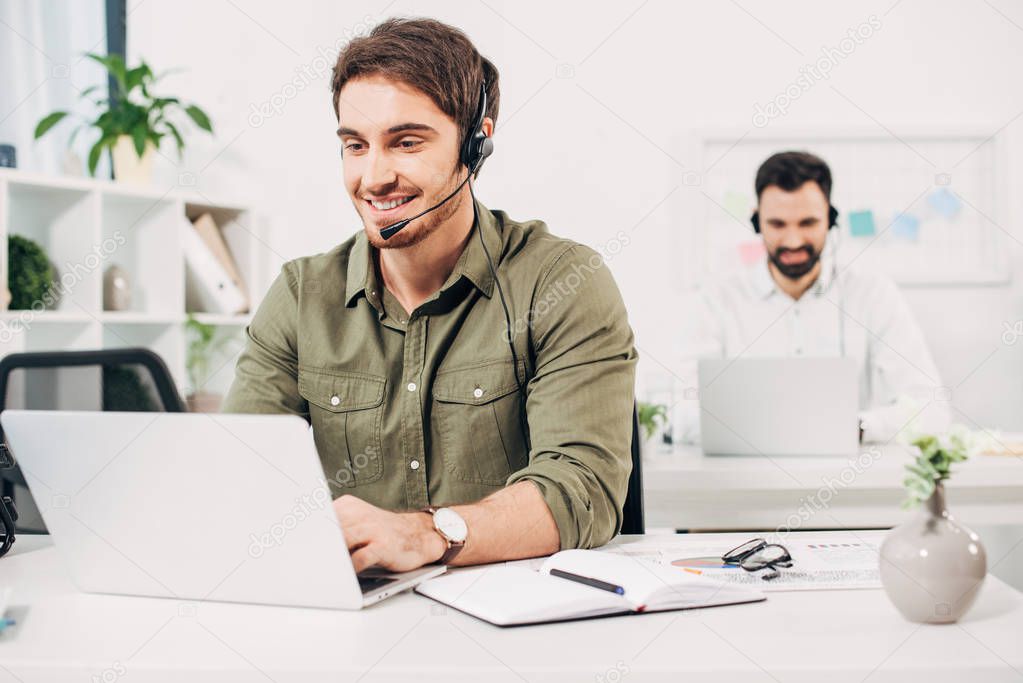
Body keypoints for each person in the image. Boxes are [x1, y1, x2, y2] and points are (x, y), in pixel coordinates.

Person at [223, 18, 637, 573]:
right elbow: (241, 480)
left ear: (476, 142)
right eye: (355, 145)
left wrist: (426, 535)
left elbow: (582, 491)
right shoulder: (301, 297)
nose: (373, 177)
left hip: (517, 629)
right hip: (350, 620)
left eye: (406, 142)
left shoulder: (561, 282)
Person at [675, 151, 948, 444]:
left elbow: (932, 412)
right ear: (757, 222)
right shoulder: (717, 300)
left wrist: (855, 427)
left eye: (807, 223)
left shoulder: (872, 294)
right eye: (778, 225)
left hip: (849, 482)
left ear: (830, 220)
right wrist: (783, 429)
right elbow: (683, 417)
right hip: (746, 483)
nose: (793, 241)